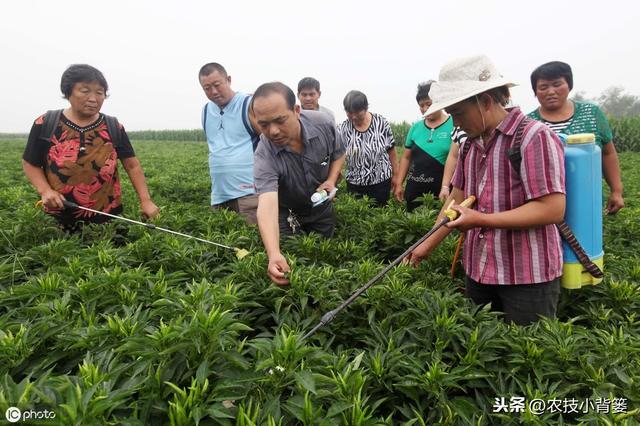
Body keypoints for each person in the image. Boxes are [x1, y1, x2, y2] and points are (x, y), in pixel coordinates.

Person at [405, 55, 566, 326]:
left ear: (485, 102)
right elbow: (456, 199)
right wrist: (426, 245)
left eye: (458, 113)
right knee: (482, 352)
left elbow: (551, 208)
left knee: (524, 355)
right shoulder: (470, 145)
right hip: (479, 272)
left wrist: (481, 220)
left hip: (526, 278)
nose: (455, 123)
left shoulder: (533, 137)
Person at [22, 64, 159, 232]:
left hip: (108, 218)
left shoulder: (113, 126)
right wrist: (45, 191)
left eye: (99, 92)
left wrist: (145, 200)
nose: (93, 98)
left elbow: (132, 165)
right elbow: (31, 162)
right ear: (68, 92)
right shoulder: (46, 123)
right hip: (57, 217)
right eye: (85, 91)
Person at [252, 82, 345, 285]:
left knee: (323, 258)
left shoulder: (323, 124)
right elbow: (267, 205)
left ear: (296, 111)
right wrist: (274, 253)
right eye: (264, 124)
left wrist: (330, 179)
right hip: (288, 214)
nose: (273, 131)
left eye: (279, 120)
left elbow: (339, 153)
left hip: (320, 207)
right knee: (291, 266)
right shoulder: (264, 153)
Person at [528, 61, 624, 214]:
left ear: (569, 85)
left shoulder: (591, 113)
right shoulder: (529, 124)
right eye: (543, 87)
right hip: (545, 205)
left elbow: (608, 153)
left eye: (557, 84)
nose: (551, 91)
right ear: (535, 92)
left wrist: (616, 191)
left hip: (588, 198)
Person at [199, 62, 260, 224]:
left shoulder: (248, 104)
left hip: (250, 194)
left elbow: (270, 143)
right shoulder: (206, 111)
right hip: (219, 196)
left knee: (252, 242)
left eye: (217, 85)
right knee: (224, 243)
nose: (213, 91)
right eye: (207, 88)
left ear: (229, 80)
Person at [394, 81, 462, 211]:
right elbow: (406, 158)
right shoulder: (415, 128)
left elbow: (454, 157)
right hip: (415, 190)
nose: (425, 109)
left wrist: (445, 187)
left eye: (429, 104)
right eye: (421, 105)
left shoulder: (454, 123)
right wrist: (399, 184)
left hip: (442, 191)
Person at [337, 90, 398, 206]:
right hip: (355, 184)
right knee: (357, 217)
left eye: (357, 113)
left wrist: (396, 176)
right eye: (350, 113)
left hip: (381, 181)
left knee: (380, 216)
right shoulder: (343, 128)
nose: (354, 117)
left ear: (365, 108)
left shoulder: (380, 122)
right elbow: (339, 155)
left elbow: (392, 151)